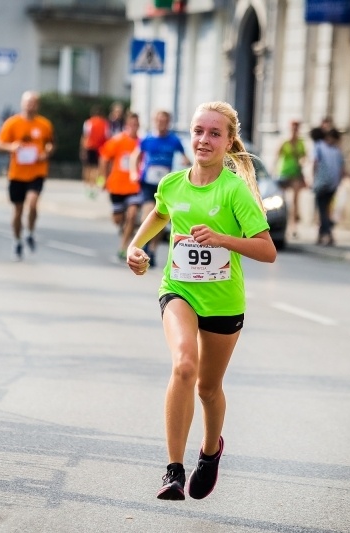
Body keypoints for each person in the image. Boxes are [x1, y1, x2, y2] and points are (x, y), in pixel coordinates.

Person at [126, 101, 277, 501]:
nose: (204, 139)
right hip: (180, 289)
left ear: (229, 142)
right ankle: (173, 470)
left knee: (209, 388)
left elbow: (267, 251)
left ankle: (210, 453)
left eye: (214, 133)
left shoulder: (235, 191)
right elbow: (160, 213)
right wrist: (136, 247)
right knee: (184, 365)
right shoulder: (173, 183)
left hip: (224, 302)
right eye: (197, 131)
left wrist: (222, 238)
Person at [0, 91, 55, 260]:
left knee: (33, 203)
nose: (30, 105)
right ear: (22, 104)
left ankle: (29, 231)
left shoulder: (44, 124)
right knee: (17, 210)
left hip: (37, 172)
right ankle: (17, 240)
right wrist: (12, 147)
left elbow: (50, 144)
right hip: (17, 174)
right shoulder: (12, 123)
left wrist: (47, 152)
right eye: (28, 102)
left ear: (37, 105)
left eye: (34, 102)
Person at [130, 110, 190, 264]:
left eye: (165, 121)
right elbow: (135, 156)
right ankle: (144, 244)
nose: (161, 123)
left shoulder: (174, 140)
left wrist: (185, 162)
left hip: (166, 186)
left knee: (162, 220)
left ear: (168, 122)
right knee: (147, 216)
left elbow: (185, 157)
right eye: (159, 120)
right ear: (154, 121)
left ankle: (153, 249)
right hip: (148, 183)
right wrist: (134, 173)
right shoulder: (148, 139)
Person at [97, 112, 142, 259]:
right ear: (126, 125)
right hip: (116, 185)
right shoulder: (117, 140)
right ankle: (123, 227)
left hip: (134, 186)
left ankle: (124, 247)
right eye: (131, 124)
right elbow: (104, 158)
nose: (134, 127)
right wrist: (102, 178)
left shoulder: (141, 143)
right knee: (118, 219)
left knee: (132, 214)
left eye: (136, 125)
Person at [312, 129, 350, 246]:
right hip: (332, 184)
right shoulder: (337, 151)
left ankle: (328, 235)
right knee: (325, 210)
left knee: (323, 210)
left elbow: (315, 163)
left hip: (322, 183)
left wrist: (313, 178)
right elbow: (342, 168)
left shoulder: (319, 147)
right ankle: (321, 235)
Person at [274, 119, 307, 234]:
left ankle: (293, 227)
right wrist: (273, 172)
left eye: (296, 128)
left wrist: (302, 162)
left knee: (295, 201)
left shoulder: (300, 143)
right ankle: (280, 223)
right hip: (284, 172)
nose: (295, 131)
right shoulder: (285, 142)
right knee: (281, 200)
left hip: (295, 173)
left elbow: (304, 156)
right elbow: (277, 156)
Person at [79, 105, 109, 197]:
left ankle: (88, 186)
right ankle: (95, 186)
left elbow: (85, 136)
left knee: (88, 168)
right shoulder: (105, 124)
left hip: (89, 147)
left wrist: (82, 149)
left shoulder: (89, 122)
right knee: (97, 168)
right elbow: (107, 136)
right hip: (100, 148)